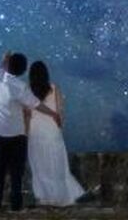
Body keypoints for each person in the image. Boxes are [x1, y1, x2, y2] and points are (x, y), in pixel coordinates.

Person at [0, 50, 62, 211]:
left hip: (0, 134)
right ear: (23, 71)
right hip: (17, 135)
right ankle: (16, 205)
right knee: (16, 172)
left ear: (8, 66)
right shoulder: (20, 87)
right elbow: (37, 104)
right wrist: (53, 114)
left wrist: (4, 59)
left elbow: (1, 67)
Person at [25, 60, 86, 206]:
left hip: (35, 131)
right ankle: (61, 197)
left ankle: (45, 197)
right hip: (52, 130)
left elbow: (26, 115)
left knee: (40, 165)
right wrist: (59, 126)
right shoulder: (54, 88)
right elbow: (60, 111)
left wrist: (25, 133)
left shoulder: (26, 91)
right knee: (57, 165)